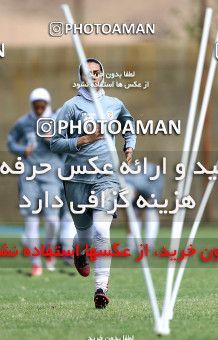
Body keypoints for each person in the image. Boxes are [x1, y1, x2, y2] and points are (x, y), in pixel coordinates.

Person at [50, 58, 136, 308]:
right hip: (76, 177)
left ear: (103, 75)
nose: (94, 77)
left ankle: (101, 287)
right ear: (81, 78)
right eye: (89, 74)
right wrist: (84, 139)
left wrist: (129, 145)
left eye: (98, 72)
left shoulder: (114, 104)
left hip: (106, 177)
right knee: (85, 235)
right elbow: (55, 142)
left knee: (101, 230)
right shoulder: (70, 107)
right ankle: (79, 252)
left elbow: (128, 125)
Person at [7, 88, 62, 276]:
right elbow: (10, 141)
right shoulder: (24, 122)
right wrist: (22, 150)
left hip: (51, 176)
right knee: (31, 218)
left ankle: (48, 250)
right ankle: (35, 262)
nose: (39, 109)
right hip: (29, 175)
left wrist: (52, 140)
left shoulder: (57, 120)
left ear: (47, 104)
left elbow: (68, 144)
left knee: (52, 220)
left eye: (42, 106)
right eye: (36, 106)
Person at [124, 161, 164, 251]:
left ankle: (149, 244)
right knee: (132, 214)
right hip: (136, 184)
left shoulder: (148, 183)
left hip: (152, 186)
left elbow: (154, 196)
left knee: (151, 212)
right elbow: (128, 212)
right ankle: (132, 244)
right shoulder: (124, 181)